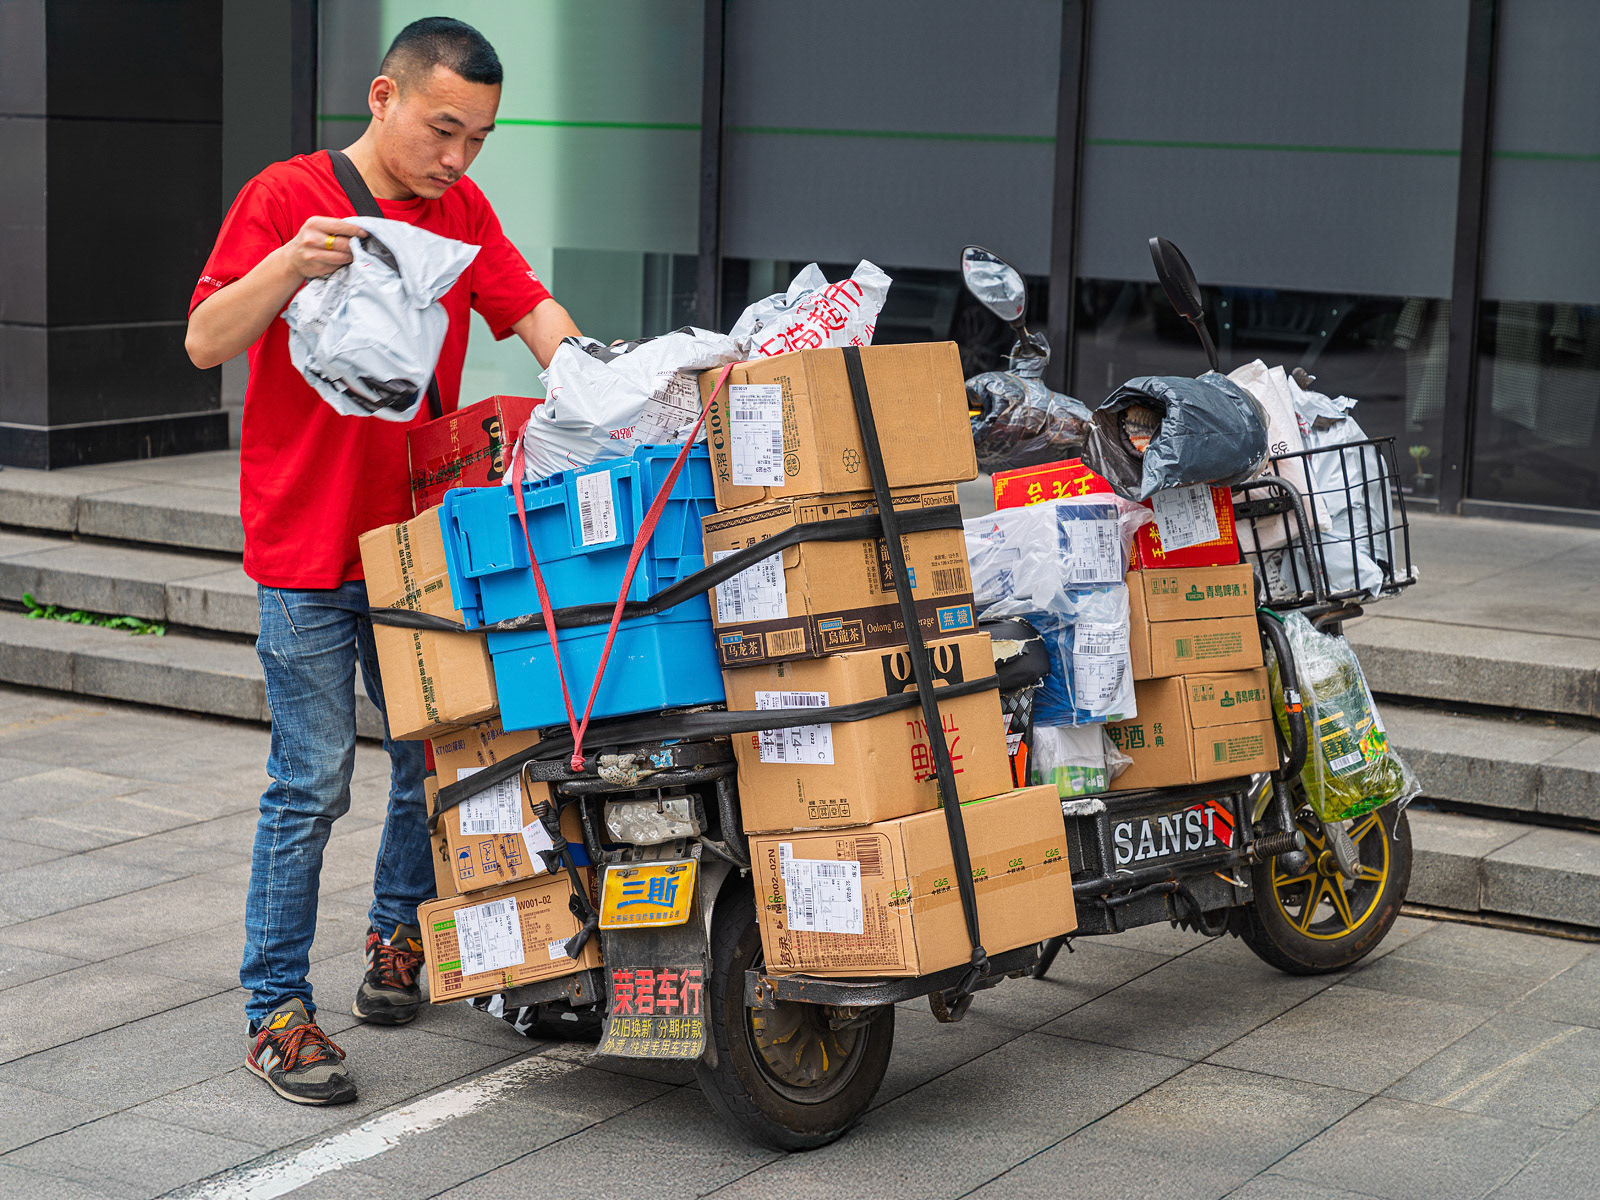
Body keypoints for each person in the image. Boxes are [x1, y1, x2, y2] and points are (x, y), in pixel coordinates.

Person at [185, 16, 580, 1106]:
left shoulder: (461, 213)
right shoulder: (285, 195)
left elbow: (528, 308)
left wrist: (600, 378)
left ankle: (395, 944)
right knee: (310, 781)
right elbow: (206, 339)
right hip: (306, 546)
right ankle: (275, 1009)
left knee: (429, 762)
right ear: (382, 97)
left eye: (480, 139)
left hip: (414, 547)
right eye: (443, 129)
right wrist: (286, 263)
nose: (456, 158)